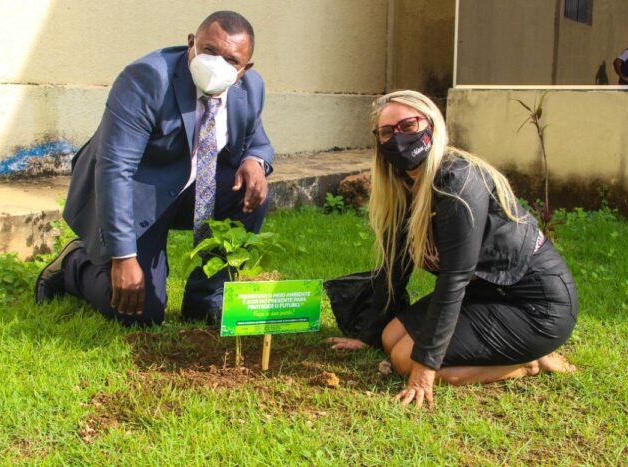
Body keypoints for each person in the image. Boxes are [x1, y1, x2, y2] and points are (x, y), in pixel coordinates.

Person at [327, 90, 578, 409]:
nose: (398, 138)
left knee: (404, 359)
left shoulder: (457, 180)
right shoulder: (404, 183)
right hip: (488, 293)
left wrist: (424, 369)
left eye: (408, 125)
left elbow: (455, 278)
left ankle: (528, 363)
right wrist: (367, 334)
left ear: (431, 124)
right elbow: (396, 265)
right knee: (389, 337)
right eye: (387, 132)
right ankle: (515, 354)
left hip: (535, 307)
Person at [34, 11, 273, 326]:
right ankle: (74, 264)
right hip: (137, 194)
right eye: (209, 51)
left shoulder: (251, 88)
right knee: (136, 312)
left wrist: (255, 161)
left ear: (244, 69)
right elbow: (115, 168)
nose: (218, 64)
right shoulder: (147, 79)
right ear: (191, 43)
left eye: (231, 60)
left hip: (190, 189)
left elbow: (258, 141)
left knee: (251, 191)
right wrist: (123, 256)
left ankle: (206, 298)